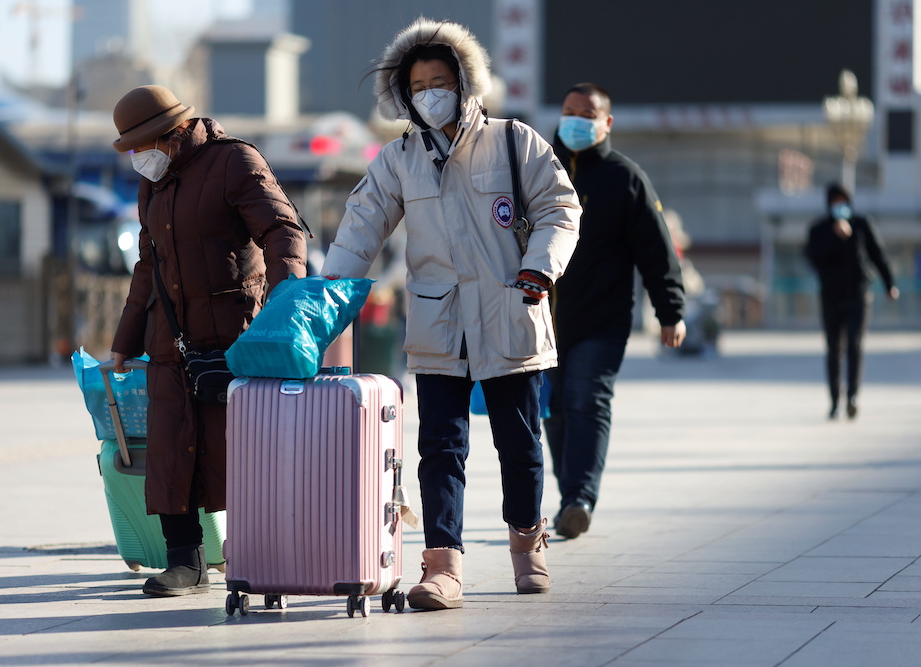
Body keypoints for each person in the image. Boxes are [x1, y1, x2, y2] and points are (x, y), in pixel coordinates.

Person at [320, 18, 581, 610]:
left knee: (519, 442)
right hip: (439, 323)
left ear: (465, 83)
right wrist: (330, 291)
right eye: (418, 85)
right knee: (440, 447)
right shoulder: (398, 160)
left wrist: (539, 267)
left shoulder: (514, 142)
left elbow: (560, 208)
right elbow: (363, 224)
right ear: (403, 95)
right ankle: (443, 565)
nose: (430, 93)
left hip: (512, 309)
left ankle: (526, 546)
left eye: (440, 81)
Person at [109, 85, 307, 596]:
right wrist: (125, 339)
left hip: (231, 334)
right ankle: (185, 562)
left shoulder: (235, 161)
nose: (138, 159)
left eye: (141, 147)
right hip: (169, 339)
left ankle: (260, 554)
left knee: (241, 451)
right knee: (172, 446)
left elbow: (283, 231)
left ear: (171, 135)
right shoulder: (152, 185)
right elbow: (148, 264)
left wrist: (283, 314)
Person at [544, 82, 686, 540]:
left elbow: (656, 249)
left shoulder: (626, 178)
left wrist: (671, 310)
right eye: (570, 111)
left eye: (587, 114)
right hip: (541, 321)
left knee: (587, 401)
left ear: (606, 123)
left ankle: (580, 497)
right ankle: (571, 498)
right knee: (555, 410)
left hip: (601, 321)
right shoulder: (538, 169)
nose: (576, 120)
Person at [805, 183, 898, 420]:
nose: (840, 206)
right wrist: (836, 239)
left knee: (854, 345)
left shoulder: (861, 224)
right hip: (831, 297)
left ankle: (853, 396)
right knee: (834, 348)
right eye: (835, 202)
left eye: (843, 201)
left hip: (858, 294)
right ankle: (835, 400)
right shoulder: (820, 229)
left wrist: (889, 284)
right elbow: (813, 259)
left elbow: (877, 254)